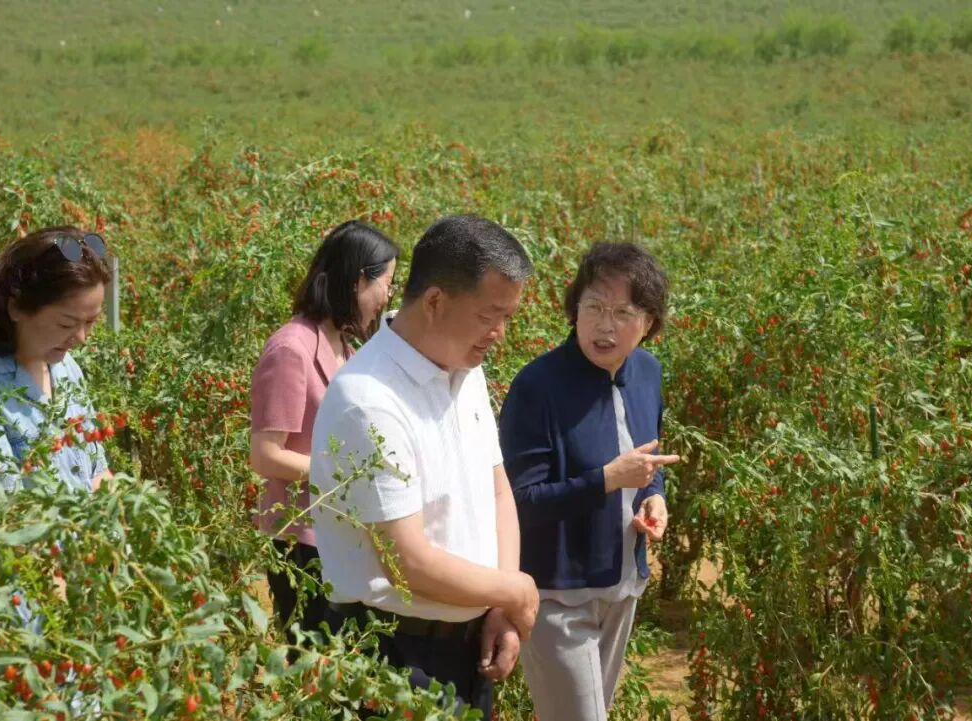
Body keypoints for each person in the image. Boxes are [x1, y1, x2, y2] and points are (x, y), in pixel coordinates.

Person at [310, 214, 540, 720]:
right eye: (490, 315)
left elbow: (497, 489)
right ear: (435, 301)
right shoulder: (367, 400)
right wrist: (515, 590)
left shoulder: (467, 371)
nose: (500, 333)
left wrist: (499, 606)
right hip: (394, 660)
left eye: (508, 317)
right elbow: (405, 561)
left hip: (467, 650)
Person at [498, 241, 680, 721]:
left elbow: (647, 458)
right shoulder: (538, 387)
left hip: (621, 586)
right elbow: (519, 502)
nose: (605, 325)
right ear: (573, 308)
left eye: (623, 312)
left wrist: (653, 499)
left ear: (650, 322)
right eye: (594, 307)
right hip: (556, 593)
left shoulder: (647, 373)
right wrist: (605, 480)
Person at [249, 220, 399, 644]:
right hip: (302, 541)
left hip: (340, 536)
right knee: (314, 660)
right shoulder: (291, 349)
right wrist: (345, 476)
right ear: (357, 281)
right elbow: (265, 455)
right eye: (385, 282)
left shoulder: (346, 347)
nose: (388, 296)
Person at [0, 226, 113, 509]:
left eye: (91, 322)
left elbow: (96, 474)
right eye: (67, 324)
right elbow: (5, 524)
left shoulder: (64, 366)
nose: (81, 338)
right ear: (17, 307)